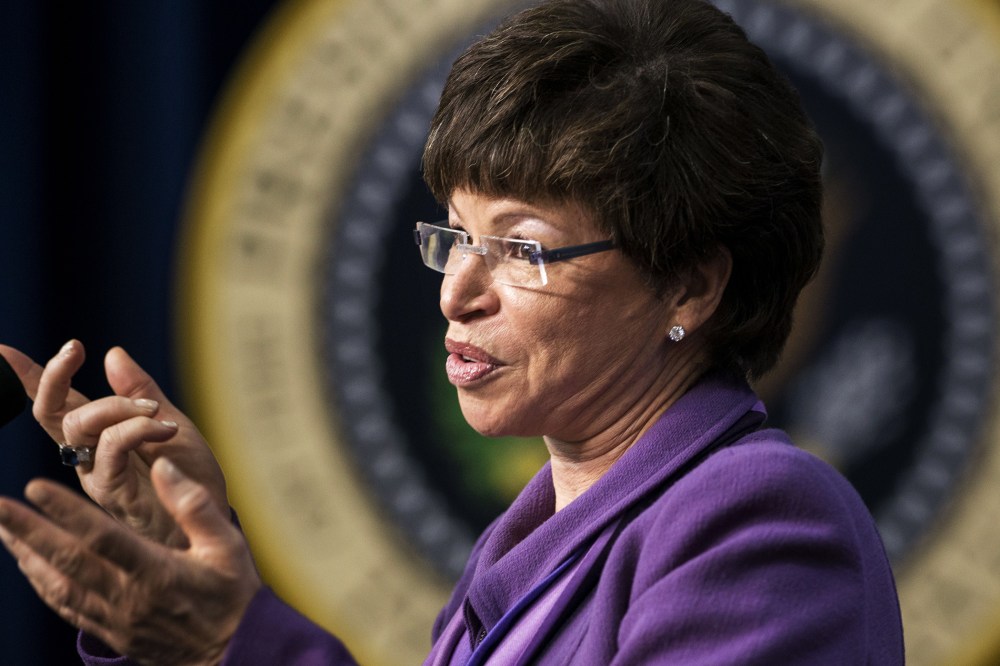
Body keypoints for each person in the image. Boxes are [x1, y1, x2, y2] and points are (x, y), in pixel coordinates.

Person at [0, 0, 905, 663]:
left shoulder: (761, 522)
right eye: (456, 238)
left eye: (521, 248)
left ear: (690, 284)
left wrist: (239, 643)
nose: (456, 293)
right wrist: (186, 596)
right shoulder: (520, 557)